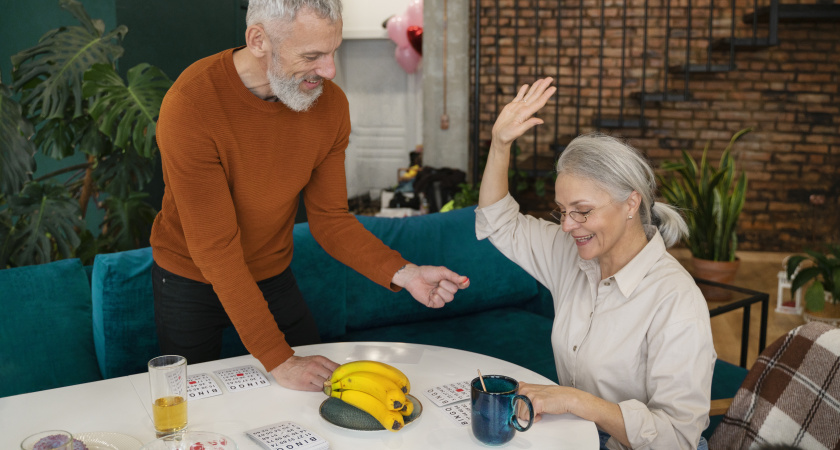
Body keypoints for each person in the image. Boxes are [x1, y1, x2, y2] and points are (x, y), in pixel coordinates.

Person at [150, 0, 469, 392]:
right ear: (258, 40)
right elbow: (216, 250)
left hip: (271, 272)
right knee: (194, 404)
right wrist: (280, 360)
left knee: (318, 389)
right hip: (189, 279)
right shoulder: (191, 105)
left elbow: (331, 220)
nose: (330, 70)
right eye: (312, 56)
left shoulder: (329, 104)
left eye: (333, 51)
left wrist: (406, 274)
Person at [475, 78, 716, 449]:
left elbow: (677, 439)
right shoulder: (571, 253)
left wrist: (575, 401)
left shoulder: (677, 301)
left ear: (631, 204)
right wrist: (500, 143)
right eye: (563, 212)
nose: (569, 226)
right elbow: (499, 221)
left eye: (583, 212)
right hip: (576, 435)